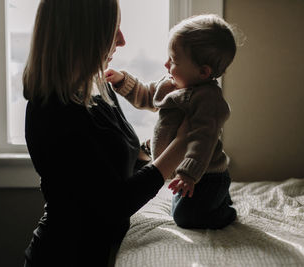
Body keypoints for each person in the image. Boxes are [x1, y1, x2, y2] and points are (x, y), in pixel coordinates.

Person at [22, 0, 188, 266]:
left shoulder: (97, 86)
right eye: (113, 31)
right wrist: (182, 144)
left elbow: (121, 160)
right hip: (66, 255)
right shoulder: (52, 111)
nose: (121, 41)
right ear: (83, 36)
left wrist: (168, 131)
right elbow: (114, 204)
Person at [105, 14, 237, 230]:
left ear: (203, 71)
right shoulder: (171, 84)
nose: (166, 64)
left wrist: (188, 173)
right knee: (181, 207)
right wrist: (122, 81)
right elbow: (147, 96)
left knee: (184, 218)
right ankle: (219, 199)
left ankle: (225, 212)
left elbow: (202, 140)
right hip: (185, 173)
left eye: (174, 60)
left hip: (205, 175)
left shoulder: (209, 100)